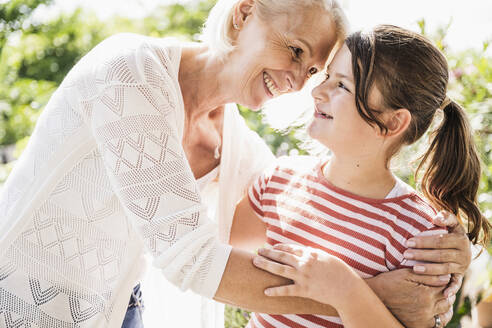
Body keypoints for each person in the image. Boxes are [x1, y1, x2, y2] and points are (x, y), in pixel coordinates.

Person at [0, 0, 470, 326]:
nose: (300, 80)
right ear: (245, 15)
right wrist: (363, 296)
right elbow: (194, 259)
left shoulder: (242, 151)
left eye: (312, 70)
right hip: (23, 301)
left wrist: (452, 259)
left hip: (120, 309)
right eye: (295, 49)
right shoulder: (130, 72)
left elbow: (316, 212)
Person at [230, 24, 491, 328]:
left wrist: (345, 289)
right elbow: (217, 258)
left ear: (393, 122)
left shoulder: (420, 234)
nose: (316, 91)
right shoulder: (279, 179)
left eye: (342, 85)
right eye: (327, 76)